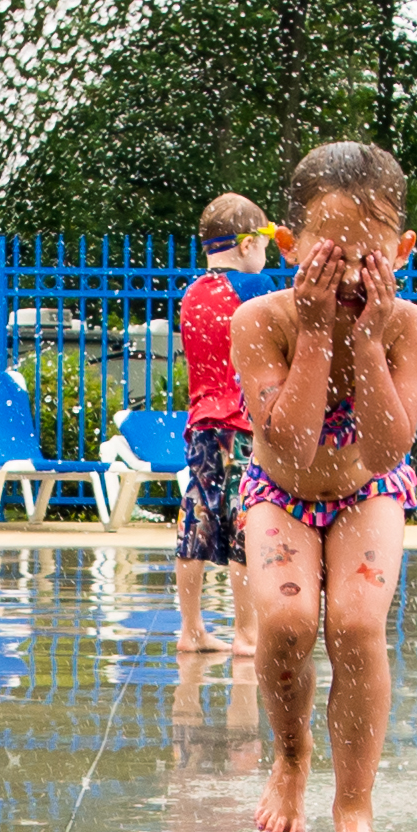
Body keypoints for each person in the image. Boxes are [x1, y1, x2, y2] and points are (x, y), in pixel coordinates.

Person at [233, 140, 417, 832]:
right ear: (290, 248)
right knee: (284, 622)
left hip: (364, 490)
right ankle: (291, 756)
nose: (349, 272)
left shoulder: (404, 324)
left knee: (355, 623)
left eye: (369, 252)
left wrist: (368, 341)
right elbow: (289, 449)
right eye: (329, 252)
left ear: (403, 250)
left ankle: (354, 806)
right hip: (280, 489)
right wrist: (317, 332)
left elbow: (385, 451)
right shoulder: (263, 323)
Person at [168, 192, 269, 652]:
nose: (266, 256)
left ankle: (191, 630)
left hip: (202, 425)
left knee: (198, 514)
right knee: (245, 519)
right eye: (264, 245)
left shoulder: (192, 294)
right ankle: (247, 633)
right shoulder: (254, 291)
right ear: (246, 245)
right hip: (243, 426)